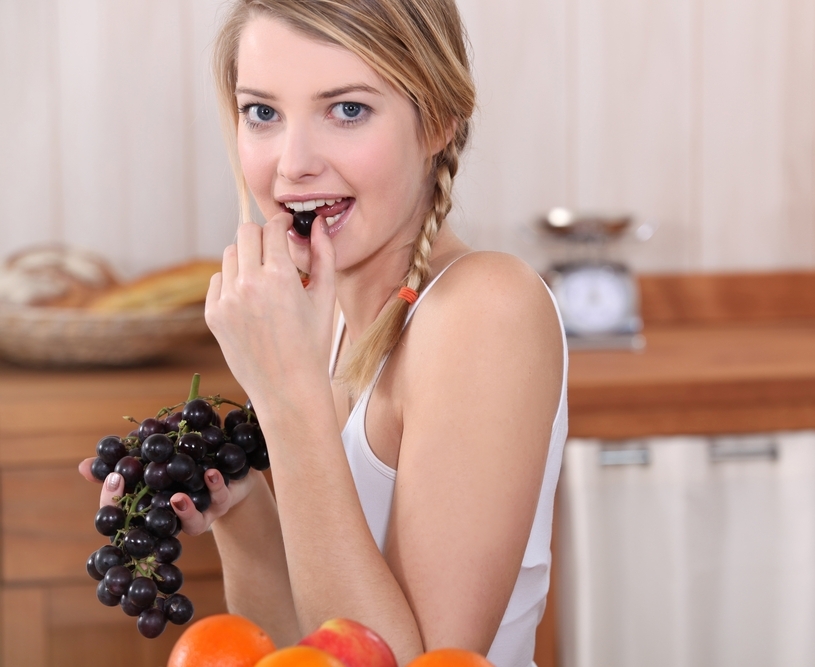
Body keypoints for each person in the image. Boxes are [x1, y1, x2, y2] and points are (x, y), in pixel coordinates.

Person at [80, 1, 567, 665]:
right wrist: (238, 503)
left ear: (439, 122)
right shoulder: (323, 316)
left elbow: (408, 661)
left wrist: (287, 399)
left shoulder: (484, 307)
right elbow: (300, 647)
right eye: (263, 112)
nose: (293, 164)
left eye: (347, 110)